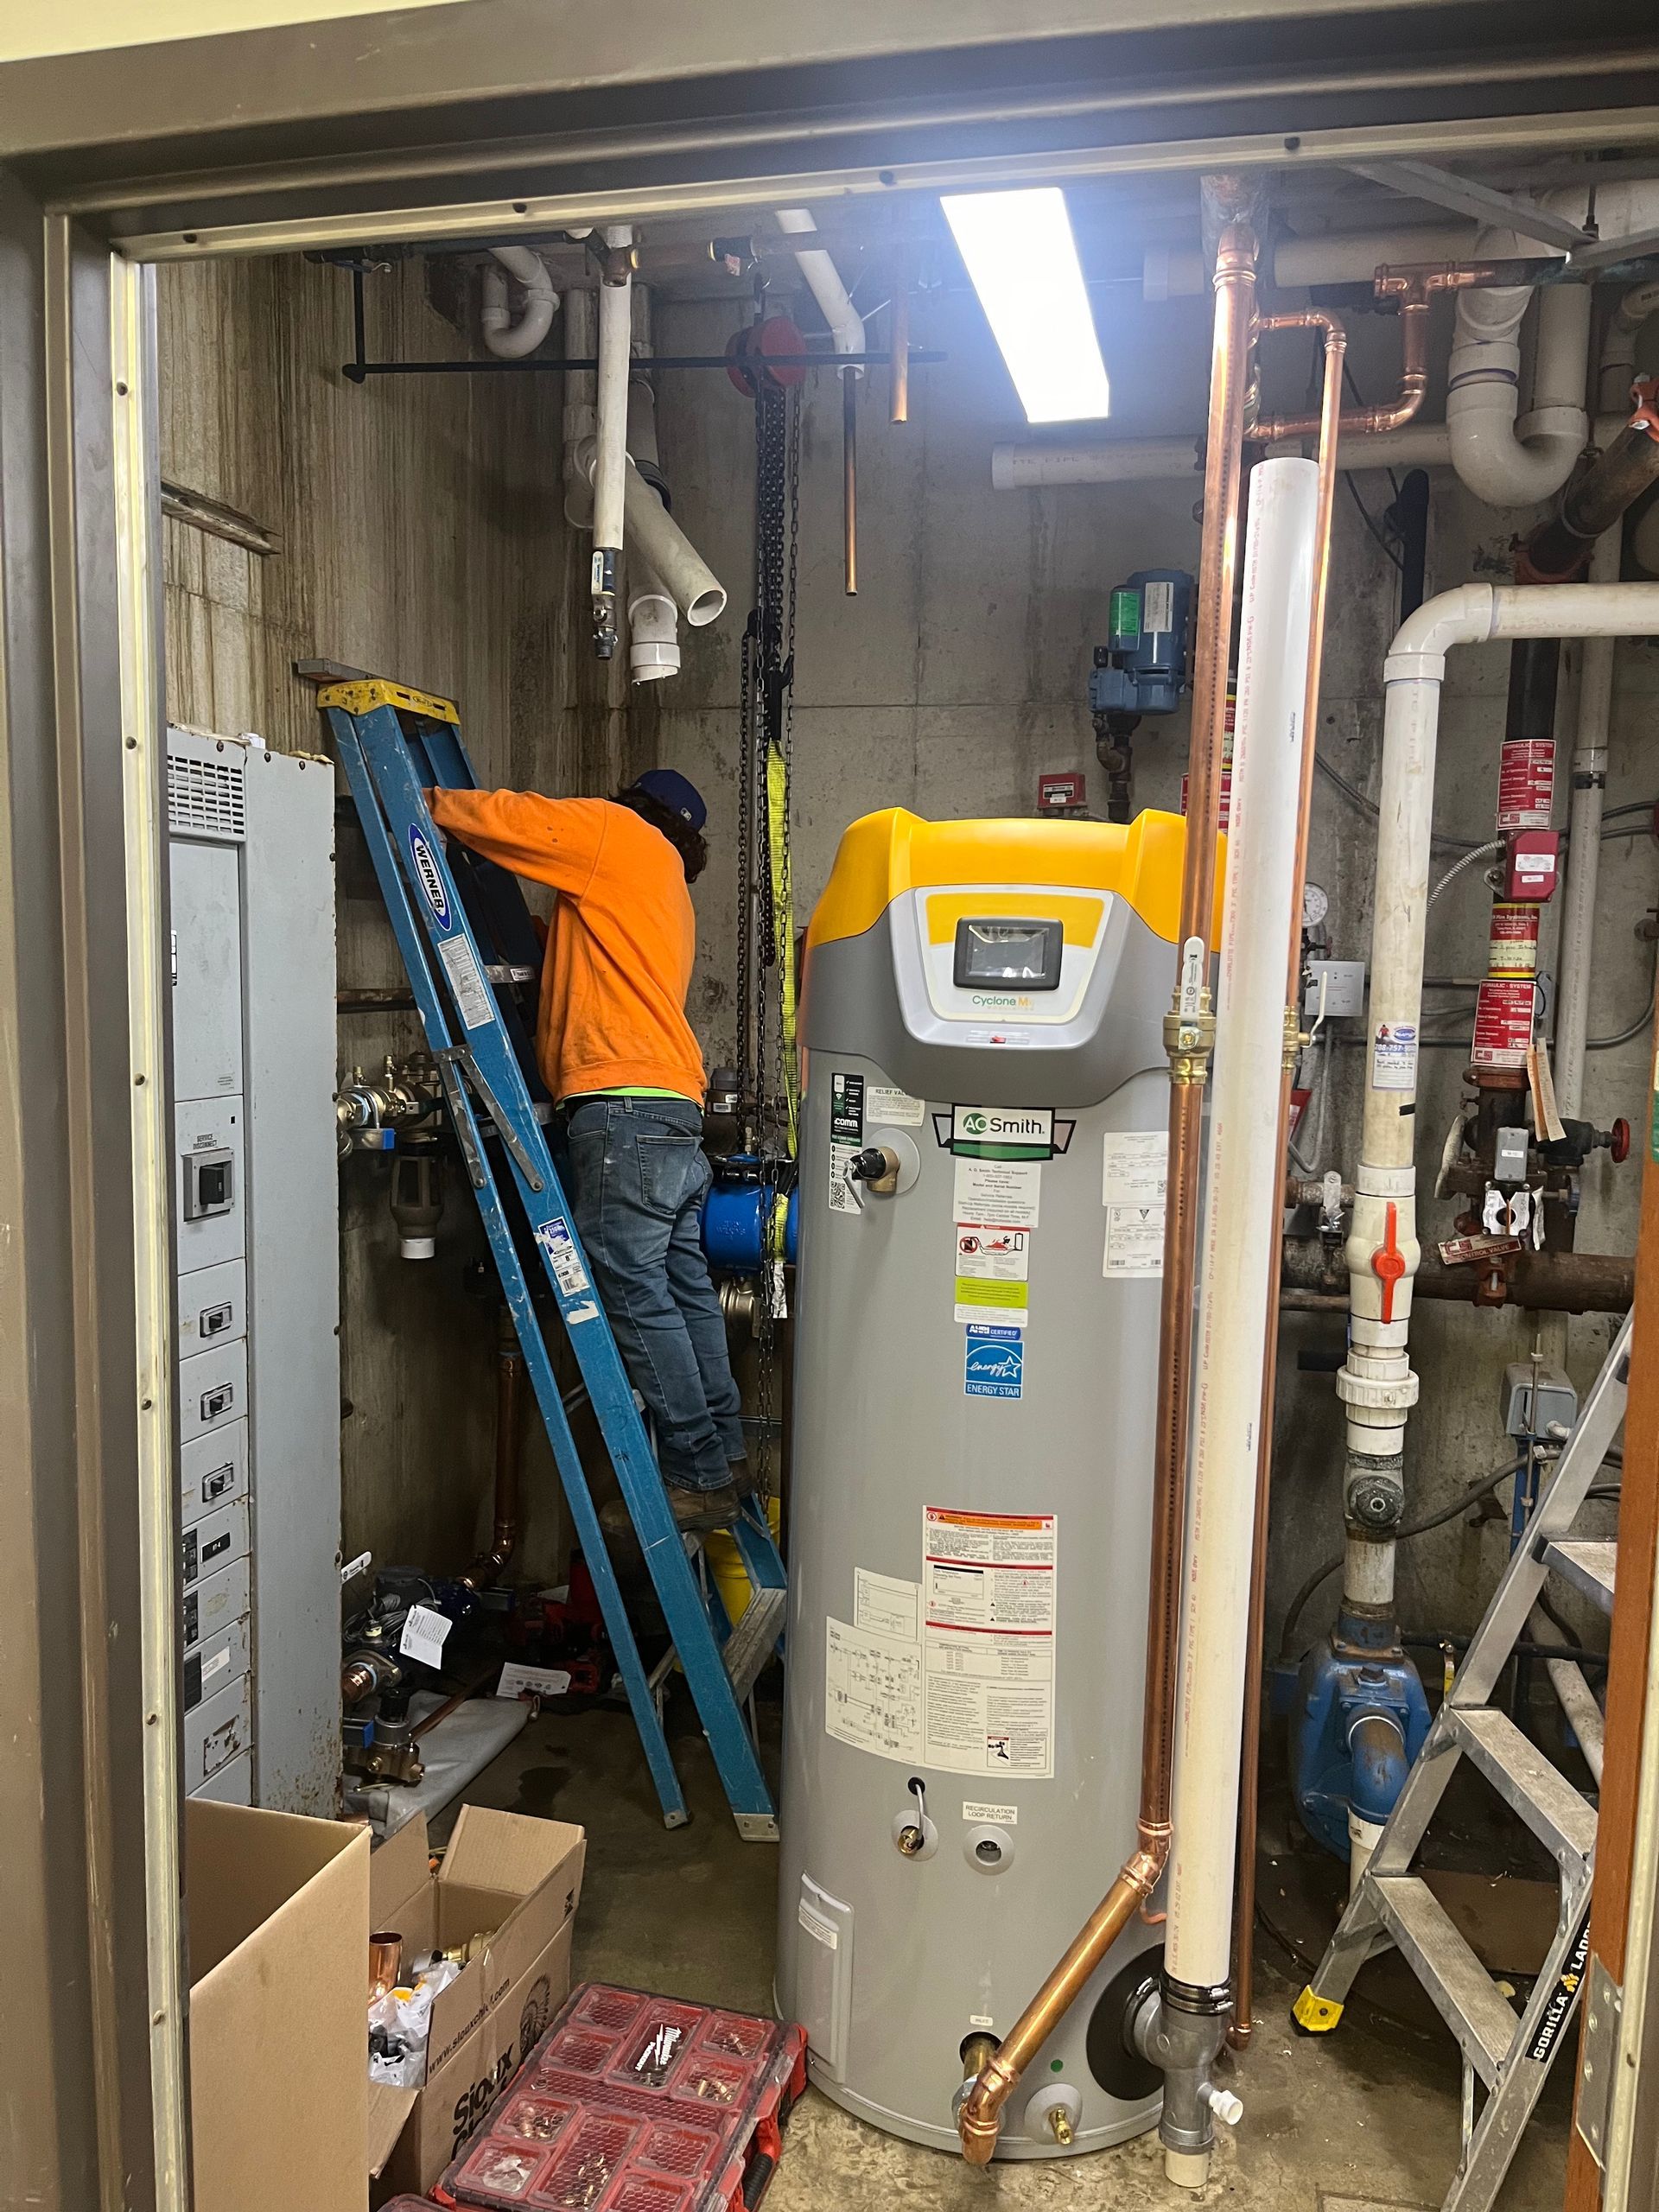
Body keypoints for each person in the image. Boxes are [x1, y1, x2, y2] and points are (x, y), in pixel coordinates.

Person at [428, 767, 747, 1532]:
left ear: (637, 805)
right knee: (683, 1288)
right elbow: (590, 966)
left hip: (622, 1107)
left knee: (631, 1289)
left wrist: (429, 805)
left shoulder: (619, 835)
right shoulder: (662, 883)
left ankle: (697, 1475)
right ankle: (726, 1454)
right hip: (670, 1105)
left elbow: (524, 818)